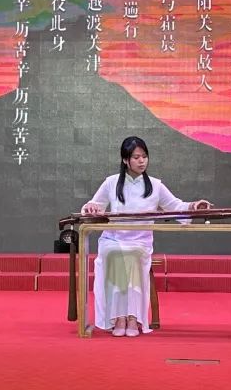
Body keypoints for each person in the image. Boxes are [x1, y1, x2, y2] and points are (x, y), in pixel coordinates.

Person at [81, 136, 211, 337]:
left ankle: (133, 318)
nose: (142, 161)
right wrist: (91, 207)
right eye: (136, 157)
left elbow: (176, 206)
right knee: (115, 254)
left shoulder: (156, 185)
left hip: (140, 242)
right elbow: (93, 206)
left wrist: (194, 206)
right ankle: (119, 317)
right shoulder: (111, 182)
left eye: (144, 156)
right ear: (125, 160)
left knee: (131, 256)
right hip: (113, 239)